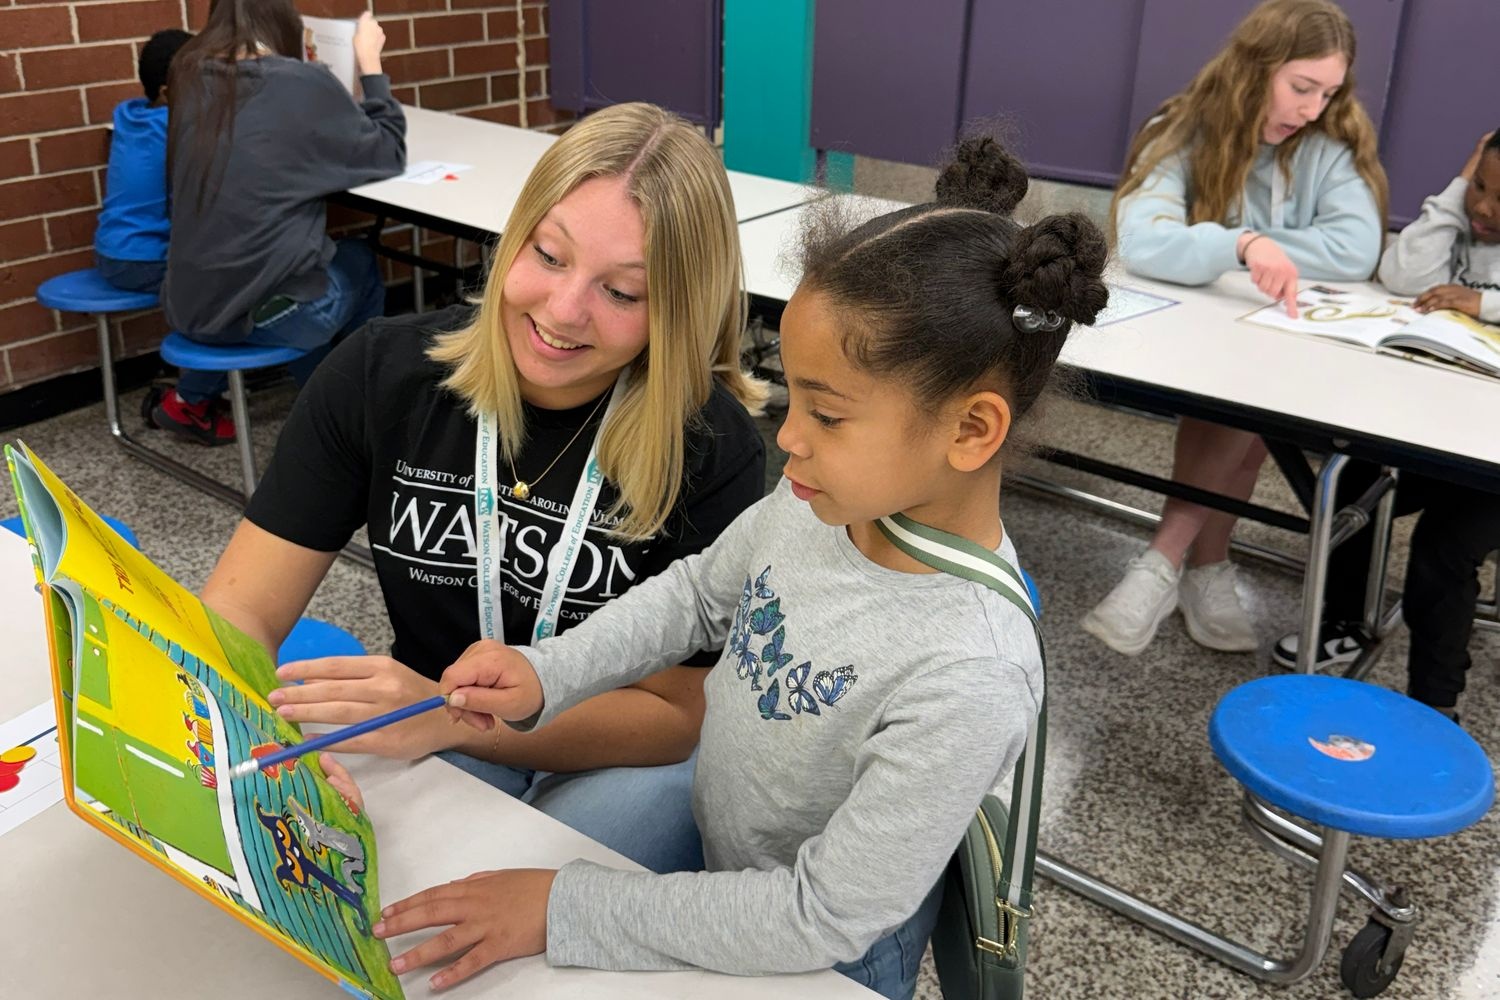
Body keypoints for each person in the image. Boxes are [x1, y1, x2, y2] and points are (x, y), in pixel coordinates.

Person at [362, 138, 1106, 1000]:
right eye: (793, 399)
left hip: (823, 962)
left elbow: (822, 917)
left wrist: (568, 909)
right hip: (727, 864)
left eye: (827, 415)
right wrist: (544, 672)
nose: (788, 439)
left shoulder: (971, 672)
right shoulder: (817, 505)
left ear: (972, 431)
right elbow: (693, 598)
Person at [200, 102, 769, 876]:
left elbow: (674, 718)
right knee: (356, 887)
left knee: (532, 905)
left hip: (611, 754)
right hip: (431, 723)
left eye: (624, 293)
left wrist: (451, 718)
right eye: (550, 254)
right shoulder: (380, 375)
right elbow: (241, 608)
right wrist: (248, 730)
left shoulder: (711, 441)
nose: (563, 312)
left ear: (680, 307)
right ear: (515, 236)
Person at [1083, 0, 1387, 656]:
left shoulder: (1327, 144)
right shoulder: (1184, 126)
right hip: (1191, 341)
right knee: (1238, 419)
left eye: (1328, 92)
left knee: (1248, 410)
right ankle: (1203, 568)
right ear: (1255, 68)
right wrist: (1243, 244)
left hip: (1276, 341)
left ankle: (1164, 563)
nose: (1312, 109)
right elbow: (1141, 239)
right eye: (1301, 87)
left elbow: (1356, 249)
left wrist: (1221, 244)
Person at [1272, 128, 1500, 719]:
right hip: (1437, 425)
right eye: (1479, 185)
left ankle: (1433, 708)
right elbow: (1402, 276)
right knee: (1354, 487)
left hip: (1490, 461)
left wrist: (1485, 304)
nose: (1483, 207)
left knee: (1442, 551)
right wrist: (1454, 190)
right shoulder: (1464, 216)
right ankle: (1344, 622)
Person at [154, 1, 406, 445]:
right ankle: (354, 414)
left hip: (188, 305)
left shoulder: (188, 75)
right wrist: (370, 62)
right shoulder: (302, 81)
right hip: (268, 315)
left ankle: (194, 397)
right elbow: (387, 150)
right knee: (358, 263)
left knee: (259, 268)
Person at [94, 28, 194, 295]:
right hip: (144, 261)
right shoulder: (174, 127)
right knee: (238, 273)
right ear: (167, 92)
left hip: (110, 252)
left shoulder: (132, 117)